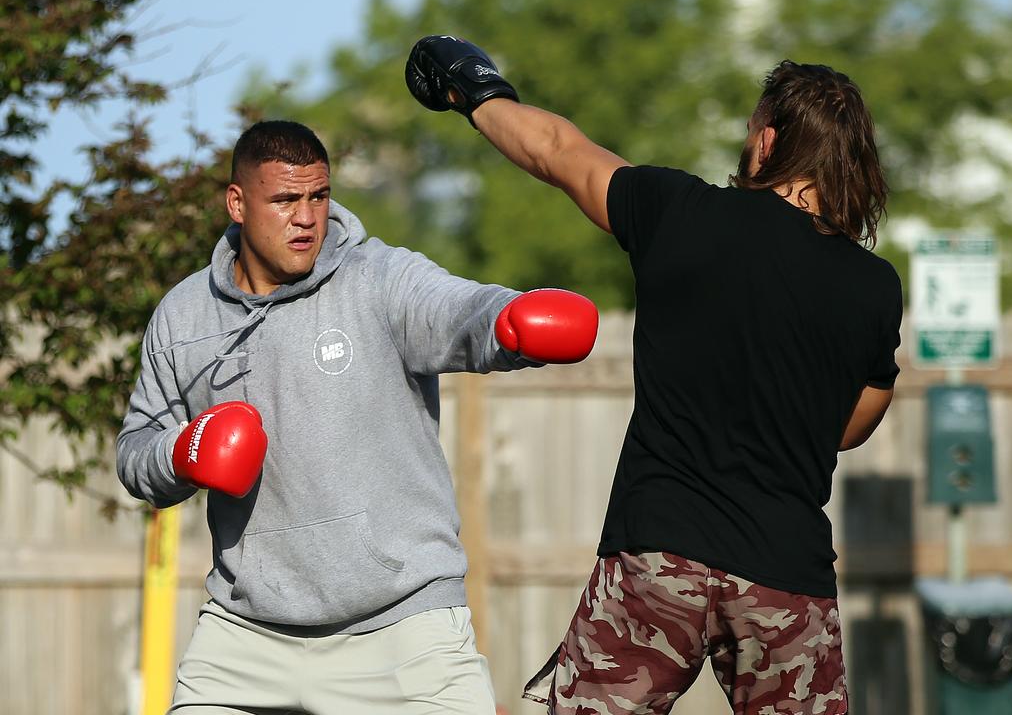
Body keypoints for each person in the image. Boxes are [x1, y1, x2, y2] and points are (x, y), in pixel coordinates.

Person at [405, 36, 903, 715]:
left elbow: (557, 151)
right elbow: (851, 426)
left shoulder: (680, 212)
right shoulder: (874, 288)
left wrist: (474, 92)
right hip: (785, 577)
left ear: (768, 141)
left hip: (657, 559)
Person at [116, 119, 600, 715]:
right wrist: (185, 450)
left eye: (318, 196)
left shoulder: (379, 279)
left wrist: (509, 320)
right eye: (285, 200)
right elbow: (136, 450)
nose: (306, 217)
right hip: (246, 637)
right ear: (237, 203)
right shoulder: (184, 315)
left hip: (403, 633)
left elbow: (456, 308)